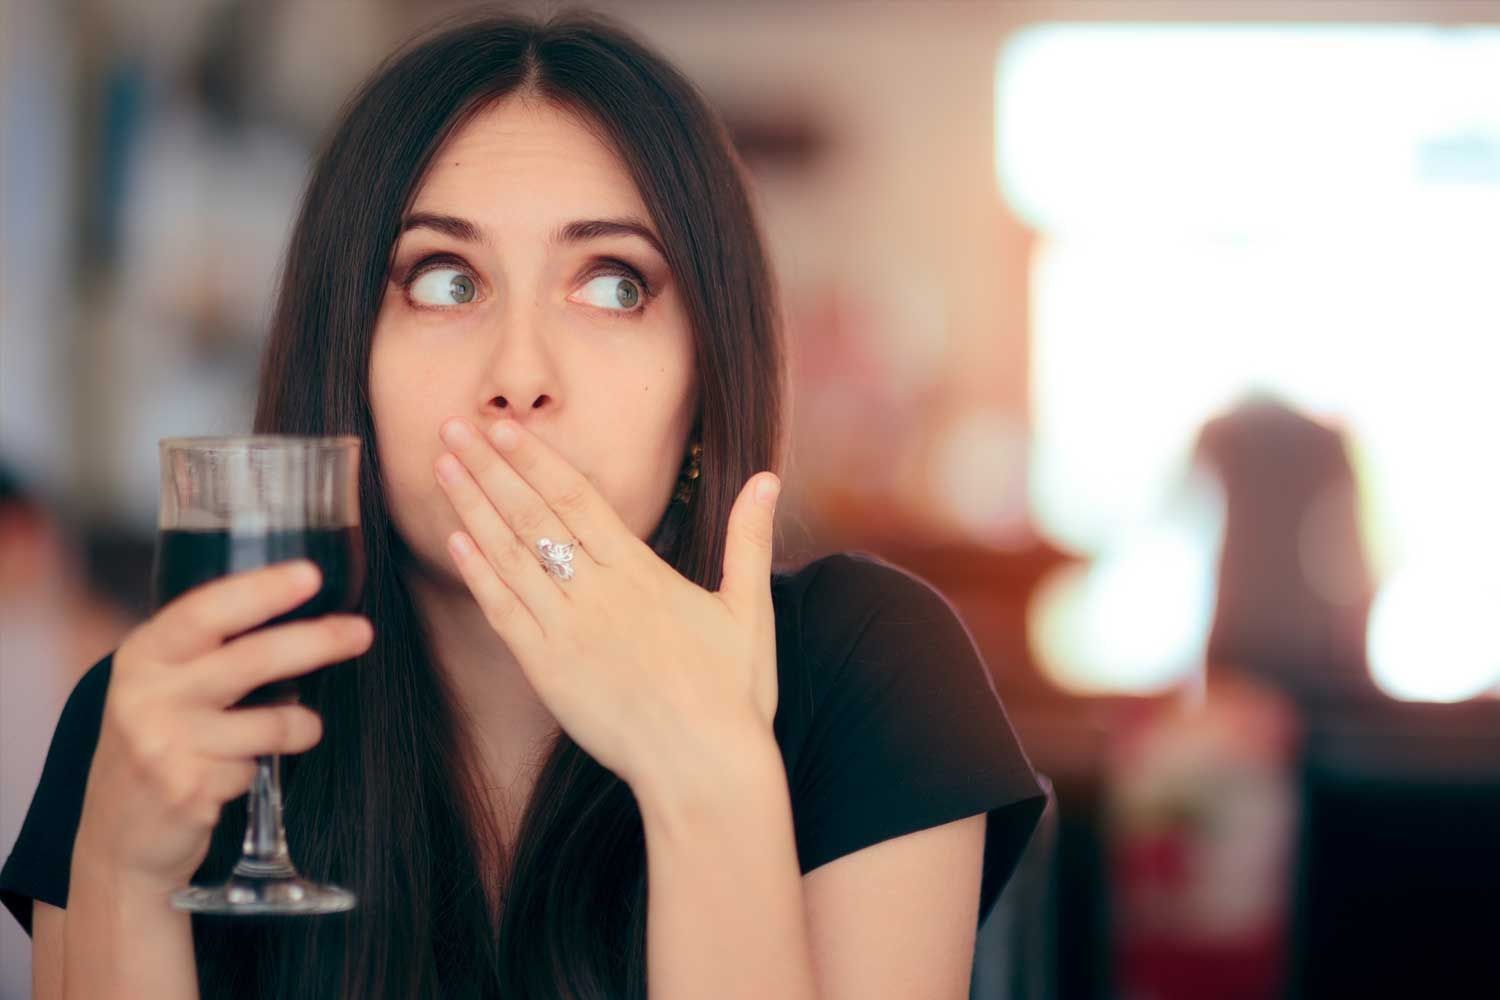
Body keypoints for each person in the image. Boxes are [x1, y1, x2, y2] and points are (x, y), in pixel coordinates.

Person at [0, 10, 1045, 998]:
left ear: (706, 376)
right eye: (445, 280)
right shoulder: (166, 726)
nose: (520, 373)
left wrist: (709, 776)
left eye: (614, 285)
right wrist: (121, 876)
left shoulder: (869, 668)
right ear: (346, 358)